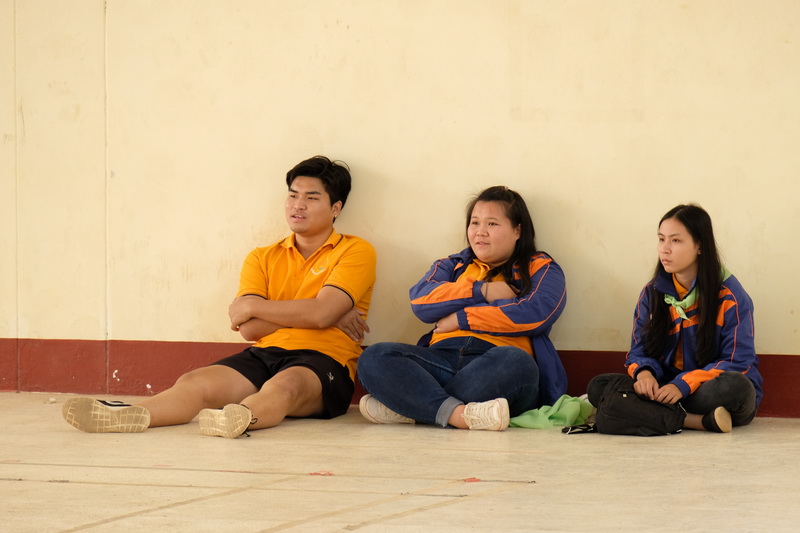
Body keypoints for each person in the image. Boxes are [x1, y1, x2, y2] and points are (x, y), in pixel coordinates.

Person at [62, 155, 376, 438]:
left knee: (284, 386)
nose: (298, 205)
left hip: (325, 360)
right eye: (293, 195)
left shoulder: (355, 250)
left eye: (311, 197)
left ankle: (241, 417)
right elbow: (250, 329)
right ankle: (131, 415)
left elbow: (319, 313)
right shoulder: (262, 257)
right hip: (265, 353)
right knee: (195, 382)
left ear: (336, 208)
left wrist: (263, 307)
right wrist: (321, 314)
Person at [357, 186, 567, 431]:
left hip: (496, 365)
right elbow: (421, 302)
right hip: (441, 359)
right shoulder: (452, 265)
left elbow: (535, 314)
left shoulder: (541, 266)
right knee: (375, 356)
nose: (480, 232)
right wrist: (482, 291)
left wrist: (461, 318)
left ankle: (418, 406)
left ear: (517, 230)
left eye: (492, 224)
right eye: (475, 223)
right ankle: (459, 415)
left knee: (517, 362)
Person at [588, 204, 761, 433]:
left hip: (705, 388)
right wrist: (644, 373)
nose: (665, 249)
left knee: (736, 388)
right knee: (598, 387)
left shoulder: (730, 296)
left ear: (700, 246)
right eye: (661, 239)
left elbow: (738, 361)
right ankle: (695, 421)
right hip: (666, 386)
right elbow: (638, 352)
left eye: (676, 241)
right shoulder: (651, 293)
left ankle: (642, 411)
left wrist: (683, 385)